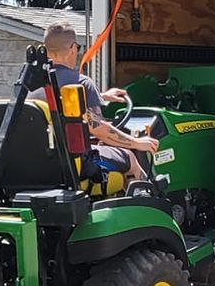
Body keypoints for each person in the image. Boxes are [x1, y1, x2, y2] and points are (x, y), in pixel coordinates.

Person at [40, 22, 156, 182]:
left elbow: (58, 106)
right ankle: (147, 202)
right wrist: (137, 142)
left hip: (44, 162)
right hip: (76, 165)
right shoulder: (81, 83)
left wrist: (101, 96)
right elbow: (99, 129)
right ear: (73, 48)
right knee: (130, 158)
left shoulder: (33, 85)